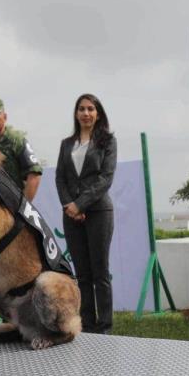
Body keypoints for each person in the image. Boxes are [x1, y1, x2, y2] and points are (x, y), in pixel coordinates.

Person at [55, 94, 117, 334]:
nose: (86, 113)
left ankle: (105, 327)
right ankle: (88, 326)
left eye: (91, 109)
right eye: (81, 109)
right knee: (82, 275)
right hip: (71, 215)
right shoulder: (66, 143)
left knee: (100, 272)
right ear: (76, 113)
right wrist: (70, 205)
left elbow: (105, 178)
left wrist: (80, 204)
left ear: (98, 113)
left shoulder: (108, 142)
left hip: (99, 211)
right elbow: (60, 177)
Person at [0, 98, 43, 201]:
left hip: (11, 204)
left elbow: (34, 174)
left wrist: (24, 207)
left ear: (5, 117)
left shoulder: (16, 140)